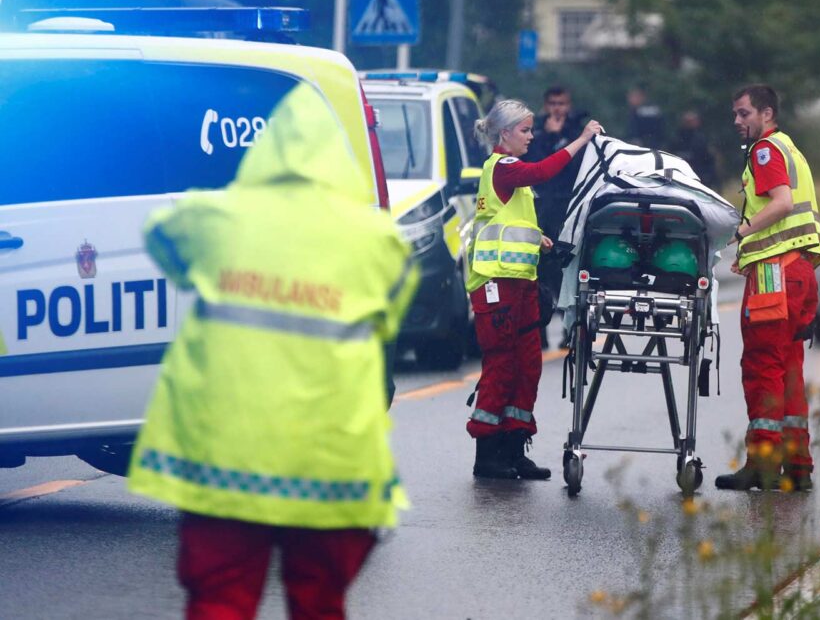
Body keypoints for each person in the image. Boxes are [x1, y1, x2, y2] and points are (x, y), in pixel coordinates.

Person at [126, 82, 418, 618]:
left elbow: (161, 239)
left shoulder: (215, 218)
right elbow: (388, 317)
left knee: (220, 599)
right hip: (331, 461)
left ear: (268, 149)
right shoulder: (378, 242)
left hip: (227, 456)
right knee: (320, 602)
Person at [468, 100, 603, 479]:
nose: (531, 136)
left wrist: (539, 239)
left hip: (521, 283)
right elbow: (544, 170)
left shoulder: (511, 177)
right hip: (497, 286)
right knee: (501, 367)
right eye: (525, 131)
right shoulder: (505, 167)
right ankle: (488, 454)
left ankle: (514, 447)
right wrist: (581, 140)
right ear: (505, 133)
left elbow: (509, 225)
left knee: (527, 366)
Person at [716, 84, 820, 493]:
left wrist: (740, 233)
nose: (738, 122)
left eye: (744, 114)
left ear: (766, 114)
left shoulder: (765, 151)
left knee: (763, 367)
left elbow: (779, 203)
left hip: (776, 275)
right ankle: (798, 465)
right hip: (799, 272)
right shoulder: (789, 148)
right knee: (789, 370)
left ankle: (763, 464)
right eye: (735, 115)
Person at [522, 86, 589, 348]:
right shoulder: (534, 132)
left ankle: (569, 330)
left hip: (568, 208)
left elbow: (578, 166)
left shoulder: (577, 131)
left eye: (561, 103)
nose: (557, 109)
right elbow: (534, 166)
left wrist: (562, 137)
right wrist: (548, 138)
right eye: (552, 103)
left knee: (567, 270)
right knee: (538, 272)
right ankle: (538, 332)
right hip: (541, 209)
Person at [670, 109, 718, 187]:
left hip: (699, 178)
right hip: (680, 178)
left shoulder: (702, 140)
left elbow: (709, 160)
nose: (690, 124)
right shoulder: (676, 140)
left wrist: (709, 177)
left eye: (692, 121)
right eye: (687, 122)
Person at [626, 85, 665, 149]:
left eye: (635, 96)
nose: (631, 99)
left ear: (642, 97)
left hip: (650, 146)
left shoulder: (646, 111)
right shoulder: (633, 111)